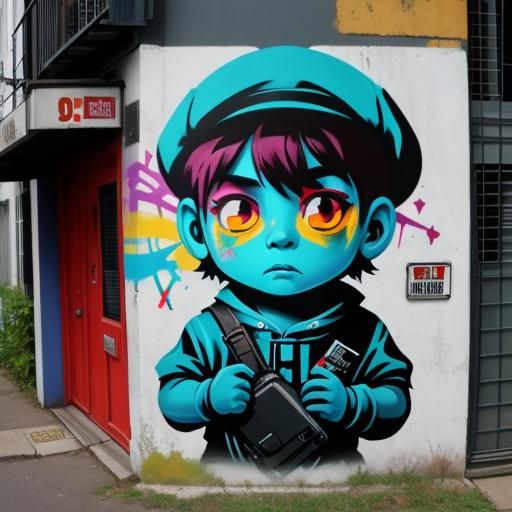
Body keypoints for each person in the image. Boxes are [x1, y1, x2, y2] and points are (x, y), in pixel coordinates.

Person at [155, 46, 422, 468]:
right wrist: (207, 396)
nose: (281, 236)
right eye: (240, 210)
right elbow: (171, 397)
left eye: (323, 208)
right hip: (229, 482)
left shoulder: (361, 332)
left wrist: (354, 403)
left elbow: (395, 398)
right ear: (195, 229)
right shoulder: (209, 332)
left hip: (337, 482)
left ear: (373, 228)